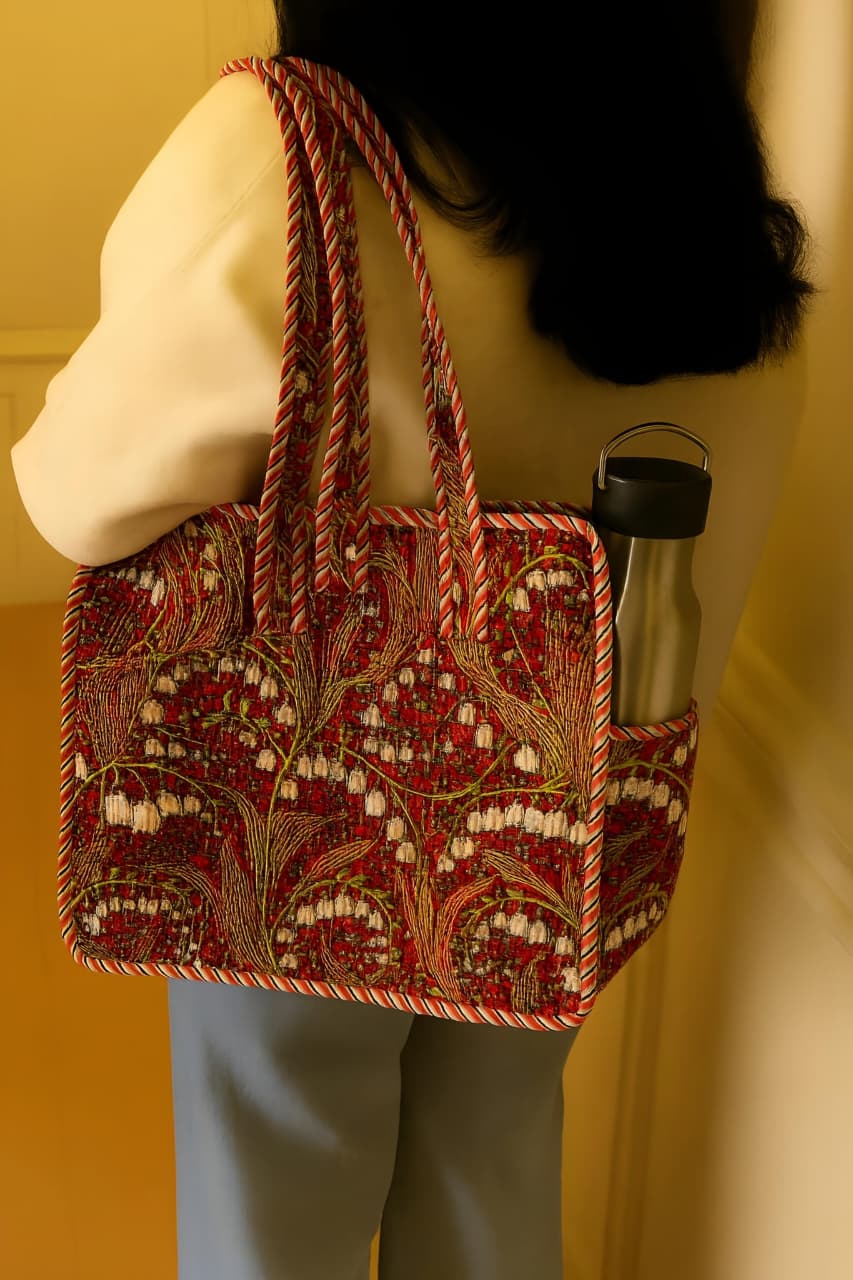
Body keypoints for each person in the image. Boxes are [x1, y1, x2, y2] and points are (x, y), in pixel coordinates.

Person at [10, 4, 812, 1278]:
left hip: (300, 796)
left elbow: (75, 496)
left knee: (279, 1174)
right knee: (494, 1148)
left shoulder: (287, 151)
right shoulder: (703, 186)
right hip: (571, 806)